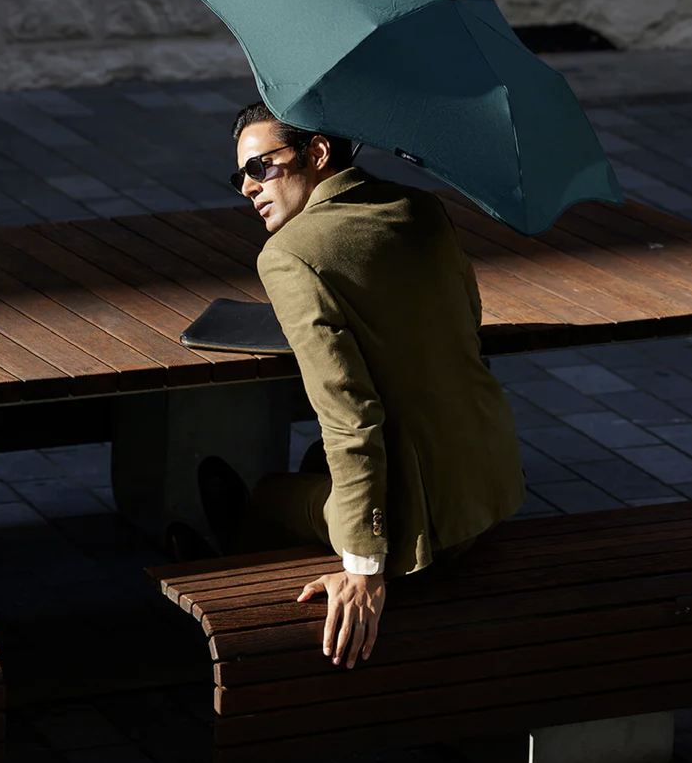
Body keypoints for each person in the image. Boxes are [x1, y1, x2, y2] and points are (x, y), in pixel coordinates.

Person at [201, 101, 525, 671]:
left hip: (423, 530)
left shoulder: (290, 255)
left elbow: (349, 416)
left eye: (260, 167)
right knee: (315, 467)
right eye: (241, 176)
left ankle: (236, 619)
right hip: (487, 489)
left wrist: (364, 569)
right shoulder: (420, 207)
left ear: (317, 152)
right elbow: (467, 323)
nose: (248, 187)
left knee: (269, 495)